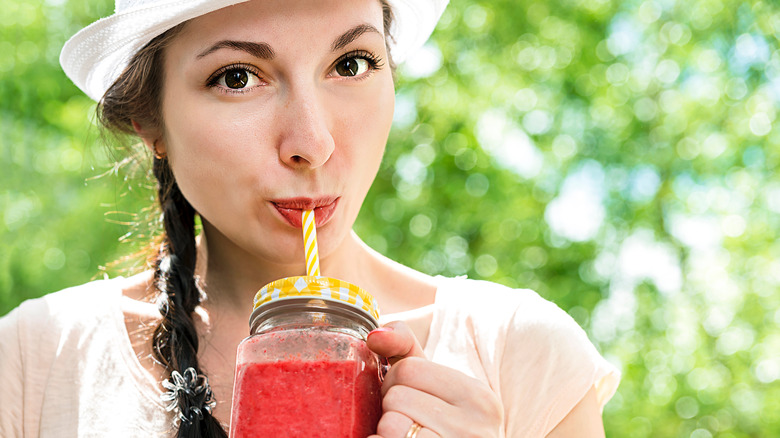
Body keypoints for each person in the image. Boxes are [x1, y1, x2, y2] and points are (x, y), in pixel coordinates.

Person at [0, 0, 620, 436]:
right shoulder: (33, 362)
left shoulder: (519, 354)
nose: (312, 142)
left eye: (351, 64)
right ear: (149, 122)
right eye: (237, 77)